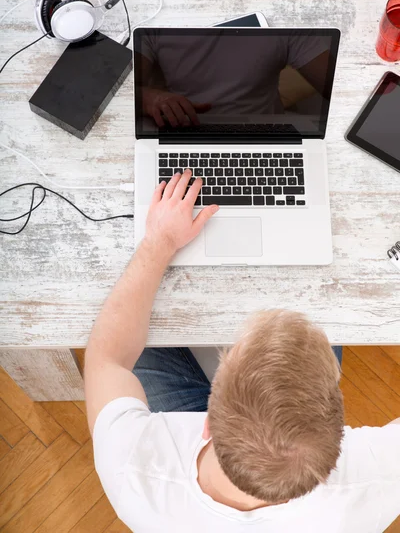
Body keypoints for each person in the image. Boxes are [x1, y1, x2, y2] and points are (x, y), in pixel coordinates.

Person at [85, 169, 400, 533]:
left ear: (206, 425)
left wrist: (160, 241)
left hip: (187, 450)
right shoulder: (370, 483)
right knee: (317, 313)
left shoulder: (133, 465)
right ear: (340, 442)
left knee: (138, 342)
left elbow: (106, 358)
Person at [135, 32, 332, 128]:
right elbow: (123, 92)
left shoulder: (281, 22)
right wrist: (150, 99)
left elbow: (339, 86)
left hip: (265, 138)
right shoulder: (155, 22)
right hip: (185, 133)